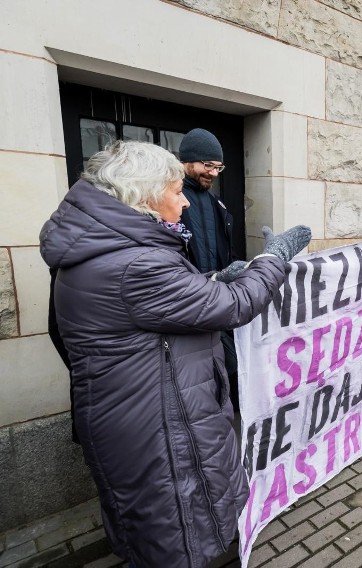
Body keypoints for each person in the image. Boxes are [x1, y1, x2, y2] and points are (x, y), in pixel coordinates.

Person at [39, 141, 312, 567]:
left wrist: (214, 277)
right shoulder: (136, 263)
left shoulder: (103, 250)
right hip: (160, 428)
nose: (184, 200)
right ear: (144, 196)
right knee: (178, 534)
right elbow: (234, 306)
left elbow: (151, 307)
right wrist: (273, 259)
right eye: (174, 190)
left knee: (158, 531)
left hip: (137, 416)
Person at [177, 128, 242, 411]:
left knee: (232, 369)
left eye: (218, 167)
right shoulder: (170, 200)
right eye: (207, 165)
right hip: (186, 310)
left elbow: (225, 254)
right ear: (187, 161)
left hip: (217, 305)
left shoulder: (216, 203)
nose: (214, 173)